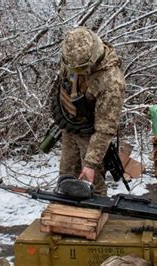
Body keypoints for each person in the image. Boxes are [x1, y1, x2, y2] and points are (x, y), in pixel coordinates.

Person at [52, 26, 125, 195]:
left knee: (91, 184)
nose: (72, 71)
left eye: (78, 69)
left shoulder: (111, 82)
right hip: (70, 127)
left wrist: (91, 163)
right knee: (66, 178)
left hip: (92, 136)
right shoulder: (71, 58)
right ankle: (66, 214)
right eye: (69, 66)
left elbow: (105, 129)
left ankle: (93, 216)